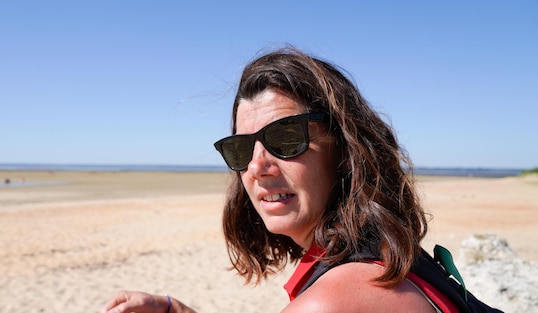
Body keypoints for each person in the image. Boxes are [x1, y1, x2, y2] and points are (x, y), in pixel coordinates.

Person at [100, 47, 435, 312]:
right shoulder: (389, 256)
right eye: (241, 147)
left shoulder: (332, 300)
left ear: (346, 148)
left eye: (287, 137)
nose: (258, 166)